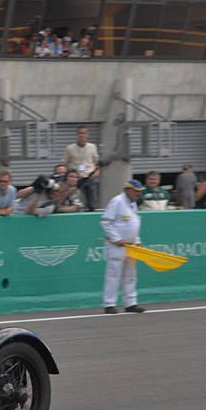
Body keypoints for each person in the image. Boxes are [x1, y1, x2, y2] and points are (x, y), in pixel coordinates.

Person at [101, 180, 147, 315]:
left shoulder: (132, 204)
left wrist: (137, 240)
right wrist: (116, 239)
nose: (138, 194)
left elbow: (134, 225)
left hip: (131, 246)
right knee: (114, 274)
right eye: (136, 191)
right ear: (128, 190)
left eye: (139, 191)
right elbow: (105, 222)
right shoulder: (117, 201)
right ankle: (109, 304)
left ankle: (131, 303)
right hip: (117, 246)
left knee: (131, 275)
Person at [63, 126, 100, 210]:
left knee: (92, 202)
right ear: (77, 134)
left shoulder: (92, 147)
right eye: (80, 133)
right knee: (79, 201)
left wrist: (97, 172)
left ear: (87, 134)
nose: (82, 135)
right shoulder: (70, 148)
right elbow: (65, 163)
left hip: (89, 176)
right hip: (77, 178)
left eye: (84, 133)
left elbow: (97, 161)